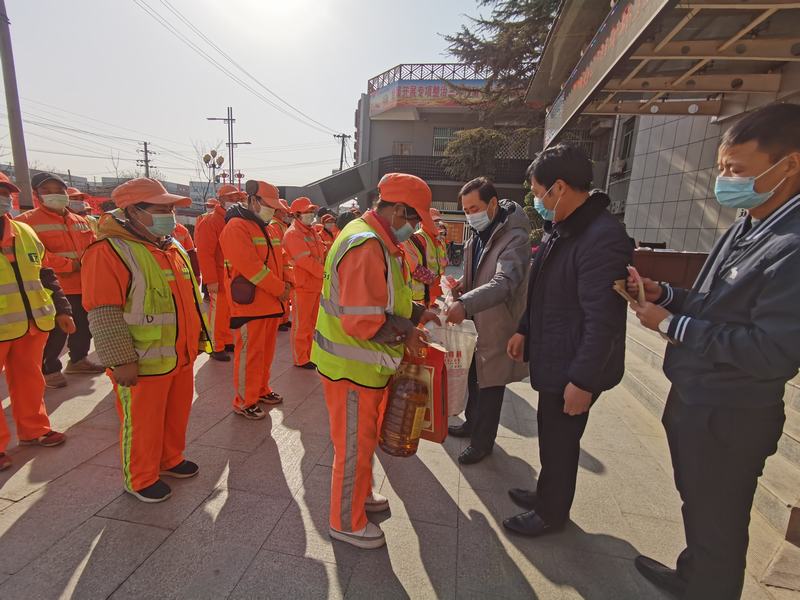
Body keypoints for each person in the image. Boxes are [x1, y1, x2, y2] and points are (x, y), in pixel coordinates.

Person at [629, 103, 800, 599]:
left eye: (737, 170)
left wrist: (671, 323)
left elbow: (771, 350)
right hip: (698, 397)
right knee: (701, 508)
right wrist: (667, 295)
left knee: (719, 520)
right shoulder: (749, 224)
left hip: (730, 413)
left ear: (788, 164)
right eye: (722, 168)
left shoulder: (792, 245)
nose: (725, 180)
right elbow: (717, 305)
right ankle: (693, 576)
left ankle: (709, 587)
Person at [504, 145, 632, 537]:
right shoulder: (564, 227)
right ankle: (546, 493)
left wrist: (583, 380)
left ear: (558, 187)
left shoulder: (601, 237)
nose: (536, 201)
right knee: (551, 435)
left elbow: (604, 319)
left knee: (560, 442)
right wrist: (525, 328)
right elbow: (541, 287)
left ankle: (550, 513)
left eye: (537, 192)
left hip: (573, 364)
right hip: (555, 352)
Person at [312, 172, 439, 549]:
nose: (415, 229)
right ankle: (345, 522)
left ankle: (360, 496)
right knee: (353, 448)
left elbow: (387, 298)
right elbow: (362, 319)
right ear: (398, 211)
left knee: (362, 441)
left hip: (363, 365)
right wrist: (408, 332)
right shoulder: (367, 244)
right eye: (414, 220)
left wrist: (418, 313)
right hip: (351, 368)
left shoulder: (378, 240)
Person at [81, 178, 210, 503]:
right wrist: (120, 360)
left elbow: (190, 300)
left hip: (178, 356)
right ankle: (140, 478)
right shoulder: (108, 251)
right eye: (161, 209)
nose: (169, 215)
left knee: (176, 413)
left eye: (170, 208)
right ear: (132, 211)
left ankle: (170, 459)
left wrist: (195, 340)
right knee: (142, 423)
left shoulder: (171, 247)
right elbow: (104, 311)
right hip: (141, 361)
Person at [445, 178, 530, 464]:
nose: (470, 215)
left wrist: (465, 302)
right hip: (476, 323)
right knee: (474, 379)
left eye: (475, 208)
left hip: (497, 322)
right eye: (466, 210)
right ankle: (472, 424)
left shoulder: (514, 238)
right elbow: (478, 273)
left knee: (490, 386)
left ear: (492, 204)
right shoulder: (478, 235)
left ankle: (483, 443)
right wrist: (461, 285)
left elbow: (504, 281)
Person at [0, 173, 70, 471]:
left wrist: (63, 308)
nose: (3, 198)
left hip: (31, 323)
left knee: (30, 378)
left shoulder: (24, 231)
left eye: (6, 193)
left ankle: (34, 429)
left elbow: (44, 273)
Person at [16, 172, 103, 388]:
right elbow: (34, 255)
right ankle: (49, 369)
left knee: (83, 327)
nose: (54, 194)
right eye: (47, 191)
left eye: (59, 190)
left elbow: (94, 246)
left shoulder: (80, 221)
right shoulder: (25, 222)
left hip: (83, 284)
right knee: (56, 331)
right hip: (53, 288)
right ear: (37, 195)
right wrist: (69, 265)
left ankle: (78, 360)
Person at [219, 180, 290, 420]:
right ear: (252, 200)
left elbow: (282, 259)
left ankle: (261, 389)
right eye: (268, 205)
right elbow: (251, 267)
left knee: (265, 353)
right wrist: (280, 288)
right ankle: (244, 401)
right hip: (251, 305)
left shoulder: (267, 228)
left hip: (270, 303)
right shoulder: (236, 227)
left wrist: (288, 282)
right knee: (250, 355)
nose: (272, 210)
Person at [195, 184, 244, 361]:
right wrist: (210, 280)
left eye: (237, 198)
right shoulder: (210, 221)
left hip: (232, 276)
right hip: (219, 276)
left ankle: (226, 341)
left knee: (228, 312)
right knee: (218, 313)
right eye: (231, 198)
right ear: (221, 200)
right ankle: (215, 346)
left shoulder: (233, 220)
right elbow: (204, 253)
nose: (235, 201)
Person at [283, 197, 326, 369]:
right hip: (302, 286)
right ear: (297, 214)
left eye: (311, 211)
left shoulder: (311, 231)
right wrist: (326, 274)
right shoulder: (293, 234)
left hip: (315, 285)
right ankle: (301, 358)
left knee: (313, 323)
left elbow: (320, 255)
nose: (311, 214)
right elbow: (305, 261)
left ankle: (309, 354)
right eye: (307, 212)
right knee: (302, 325)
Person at [271, 199, 294, 332]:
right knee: (281, 293)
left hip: (285, 263)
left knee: (286, 293)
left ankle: (284, 319)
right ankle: (279, 321)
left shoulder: (281, 225)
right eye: (283, 211)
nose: (286, 214)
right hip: (280, 265)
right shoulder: (275, 225)